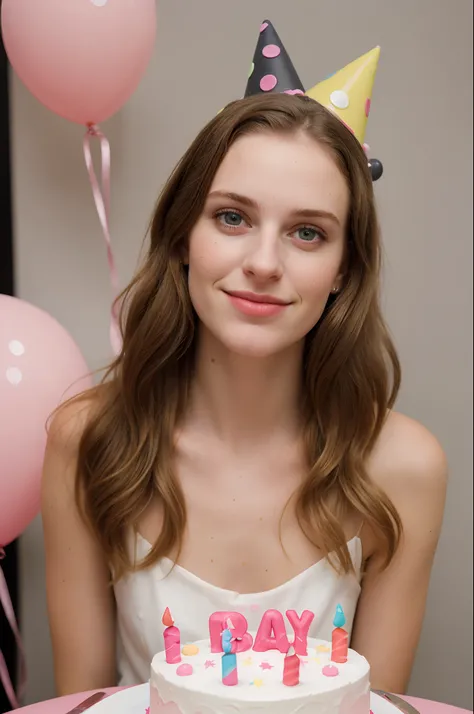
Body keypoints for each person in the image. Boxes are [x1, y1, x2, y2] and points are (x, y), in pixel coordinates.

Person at [41, 39, 447, 698]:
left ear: (344, 267)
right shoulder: (87, 442)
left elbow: (369, 707)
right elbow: (79, 704)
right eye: (232, 217)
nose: (263, 262)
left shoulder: (403, 467)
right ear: (183, 235)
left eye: (307, 232)